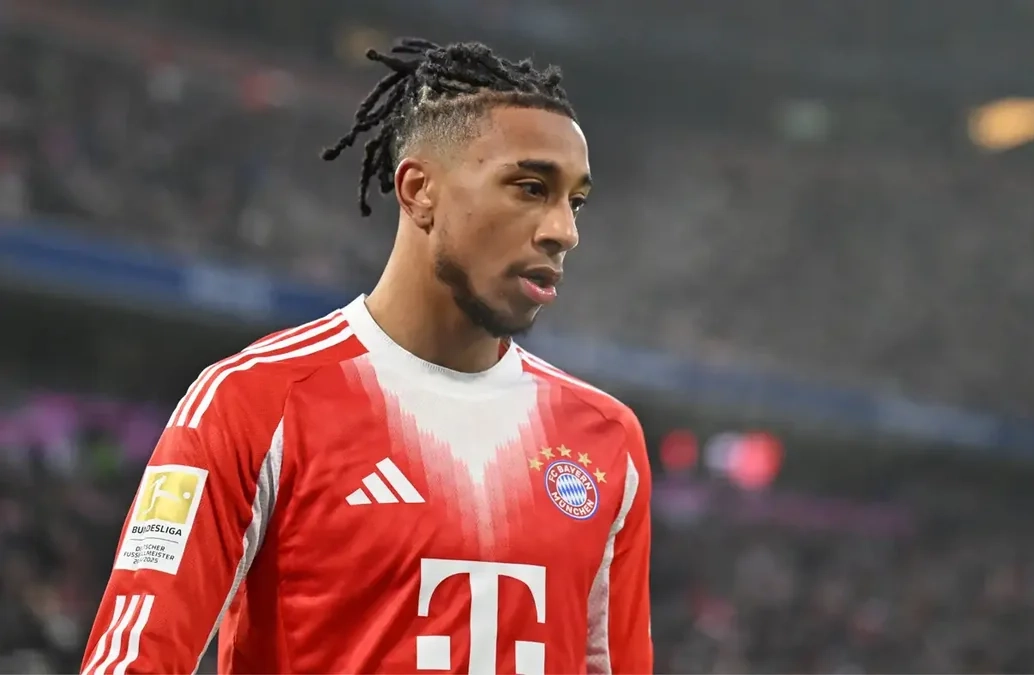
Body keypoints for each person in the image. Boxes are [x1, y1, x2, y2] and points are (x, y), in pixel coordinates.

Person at [79, 38, 653, 675]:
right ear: (419, 190)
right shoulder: (255, 401)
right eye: (530, 188)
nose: (564, 231)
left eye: (575, 201)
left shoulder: (607, 438)